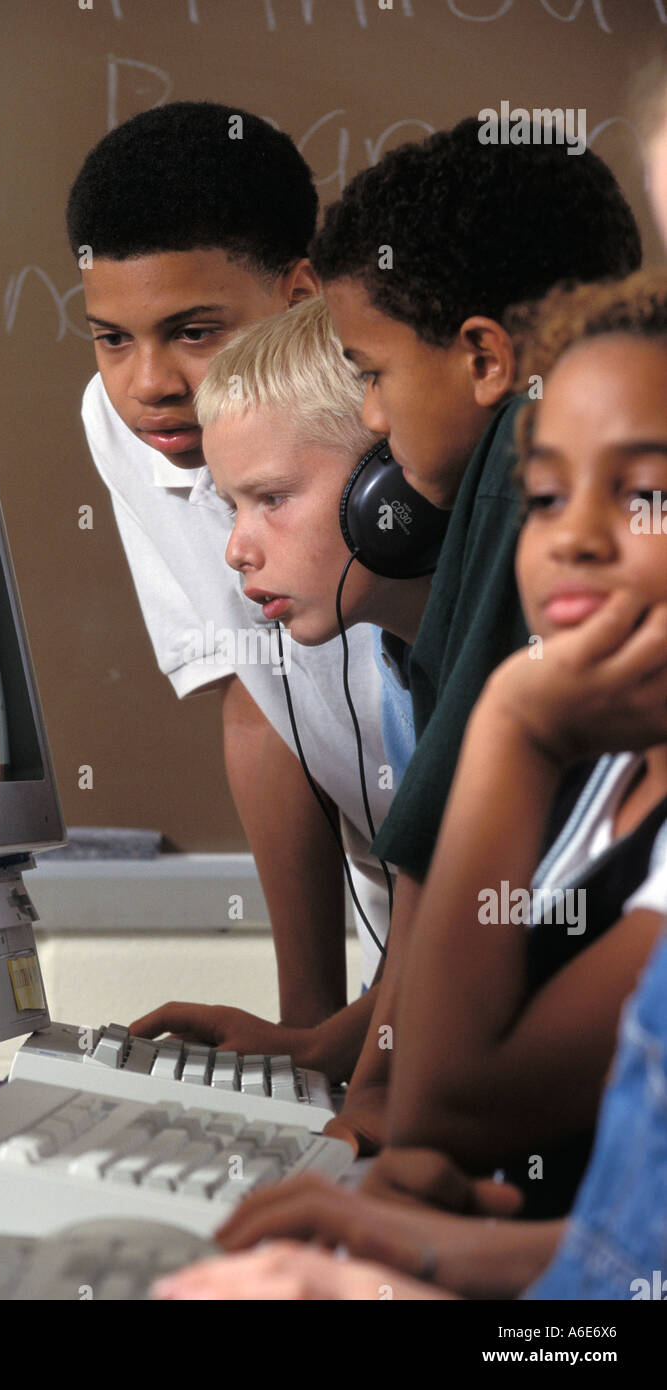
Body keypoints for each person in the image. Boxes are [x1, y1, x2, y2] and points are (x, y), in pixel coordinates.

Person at [154, 263, 667, 1297]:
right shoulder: (608, 770)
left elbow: (451, 1099)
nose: (568, 536)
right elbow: (623, 1242)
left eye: (644, 491)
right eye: (545, 495)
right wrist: (423, 1241)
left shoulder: (537, 731)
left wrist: (512, 730)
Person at [131, 118, 643, 1138]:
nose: (373, 419)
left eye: (370, 371)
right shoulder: (473, 552)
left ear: (486, 359)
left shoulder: (513, 467)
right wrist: (330, 1044)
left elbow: (440, 895)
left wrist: (365, 1106)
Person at [66, 100, 393, 1015]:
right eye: (111, 338)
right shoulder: (131, 424)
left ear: (299, 302)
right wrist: (309, 1030)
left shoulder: (399, 414)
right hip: (401, 946)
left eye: (195, 332)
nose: (149, 386)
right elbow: (257, 694)